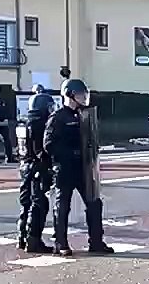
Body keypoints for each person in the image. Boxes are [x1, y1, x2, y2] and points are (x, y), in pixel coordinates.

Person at [44, 78, 113, 256]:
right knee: (62, 206)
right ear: (70, 95)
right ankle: (61, 243)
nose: (84, 98)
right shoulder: (58, 117)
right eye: (80, 95)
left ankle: (96, 241)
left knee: (94, 203)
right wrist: (70, 153)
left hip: (84, 168)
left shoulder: (85, 115)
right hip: (65, 169)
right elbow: (48, 145)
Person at [16, 91, 55, 253]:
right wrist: (49, 165)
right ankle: (33, 240)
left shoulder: (25, 123)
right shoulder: (40, 124)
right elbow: (41, 149)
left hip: (24, 165)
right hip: (36, 166)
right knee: (39, 204)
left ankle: (22, 237)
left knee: (25, 204)